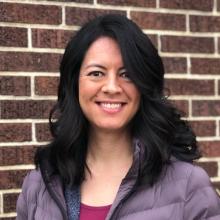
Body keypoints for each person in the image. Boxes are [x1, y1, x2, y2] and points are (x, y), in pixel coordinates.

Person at [16, 14, 220, 220]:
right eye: (96, 73)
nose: (112, 87)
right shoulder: (38, 187)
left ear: (144, 86)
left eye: (126, 74)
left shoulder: (188, 187)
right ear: (74, 83)